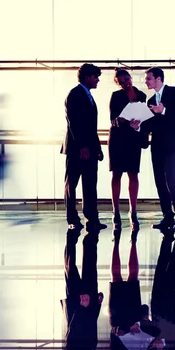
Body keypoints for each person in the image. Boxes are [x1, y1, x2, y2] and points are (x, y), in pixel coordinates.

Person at [141, 67, 175, 233]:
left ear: (158, 79)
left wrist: (163, 111)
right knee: (160, 182)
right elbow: (151, 124)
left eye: (148, 78)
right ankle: (167, 217)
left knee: (171, 178)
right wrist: (138, 125)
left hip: (171, 144)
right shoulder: (150, 100)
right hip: (157, 145)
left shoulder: (174, 92)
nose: (146, 82)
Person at [62, 63, 107, 233]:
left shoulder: (87, 95)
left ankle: (92, 218)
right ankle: (72, 219)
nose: (98, 80)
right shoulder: (74, 94)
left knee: (90, 184)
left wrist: (97, 148)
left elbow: (90, 126)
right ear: (87, 77)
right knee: (71, 184)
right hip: (77, 149)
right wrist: (83, 146)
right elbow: (74, 123)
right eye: (96, 77)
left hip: (89, 148)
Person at [61, 229, 104, 350]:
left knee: (71, 268)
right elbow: (91, 325)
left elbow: (74, 331)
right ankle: (91, 233)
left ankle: (72, 233)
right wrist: (97, 305)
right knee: (90, 267)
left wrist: (82, 307)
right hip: (88, 304)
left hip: (79, 304)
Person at [108, 69, 147, 235]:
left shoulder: (142, 96)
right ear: (118, 84)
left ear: (131, 78)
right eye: (121, 82)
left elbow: (146, 117)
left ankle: (133, 212)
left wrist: (139, 123)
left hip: (133, 139)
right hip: (118, 138)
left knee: (133, 174)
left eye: (126, 79)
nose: (125, 83)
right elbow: (113, 119)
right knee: (116, 174)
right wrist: (121, 120)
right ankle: (116, 212)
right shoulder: (115, 96)